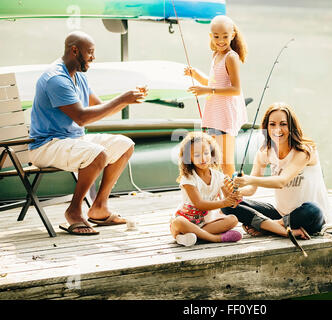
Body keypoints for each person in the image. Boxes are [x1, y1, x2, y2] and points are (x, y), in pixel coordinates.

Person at [28, 31, 148, 235]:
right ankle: (74, 211)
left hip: (72, 140)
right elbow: (82, 117)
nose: (93, 57)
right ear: (75, 50)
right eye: (90, 52)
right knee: (98, 153)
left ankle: (99, 208)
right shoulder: (56, 79)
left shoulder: (78, 76)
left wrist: (130, 97)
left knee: (125, 145)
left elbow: (100, 107)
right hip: (46, 145)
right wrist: (121, 99)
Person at [221, 102, 332, 239]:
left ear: (291, 126)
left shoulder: (304, 151)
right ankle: (276, 226)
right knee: (228, 206)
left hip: (310, 218)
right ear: (266, 127)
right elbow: (251, 189)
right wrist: (234, 191)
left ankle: (270, 227)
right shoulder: (264, 152)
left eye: (283, 124)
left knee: (313, 210)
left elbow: (281, 181)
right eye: (272, 124)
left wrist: (249, 179)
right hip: (282, 214)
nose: (277, 129)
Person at [184, 15, 248, 178]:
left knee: (226, 161)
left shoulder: (231, 57)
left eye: (225, 36)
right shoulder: (215, 55)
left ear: (232, 35)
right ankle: (221, 193)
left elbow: (235, 89)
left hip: (225, 115)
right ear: (211, 36)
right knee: (214, 159)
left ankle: (234, 198)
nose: (221, 40)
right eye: (216, 36)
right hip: (213, 114)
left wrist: (207, 91)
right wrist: (196, 75)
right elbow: (214, 82)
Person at [169, 131, 243, 246]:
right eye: (197, 155)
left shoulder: (218, 176)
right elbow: (199, 204)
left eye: (206, 153)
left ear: (212, 154)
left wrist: (235, 197)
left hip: (205, 224)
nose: (203, 158)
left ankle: (188, 237)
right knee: (178, 222)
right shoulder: (188, 178)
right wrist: (224, 202)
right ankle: (215, 238)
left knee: (233, 219)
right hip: (184, 223)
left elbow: (230, 202)